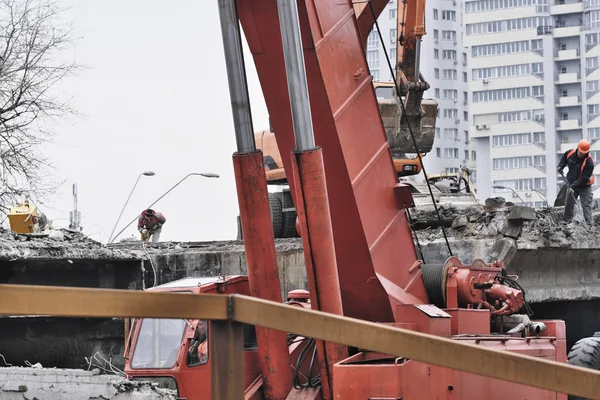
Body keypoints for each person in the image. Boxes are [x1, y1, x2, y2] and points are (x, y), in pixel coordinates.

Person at [557, 139, 595, 225]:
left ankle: (589, 225)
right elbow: (564, 158)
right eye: (581, 152)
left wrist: (573, 186)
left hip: (585, 186)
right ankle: (566, 222)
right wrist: (560, 166)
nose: (581, 154)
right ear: (578, 148)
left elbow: (584, 178)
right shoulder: (570, 153)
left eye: (584, 153)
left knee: (586, 205)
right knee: (569, 203)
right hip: (572, 183)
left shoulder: (589, 162)